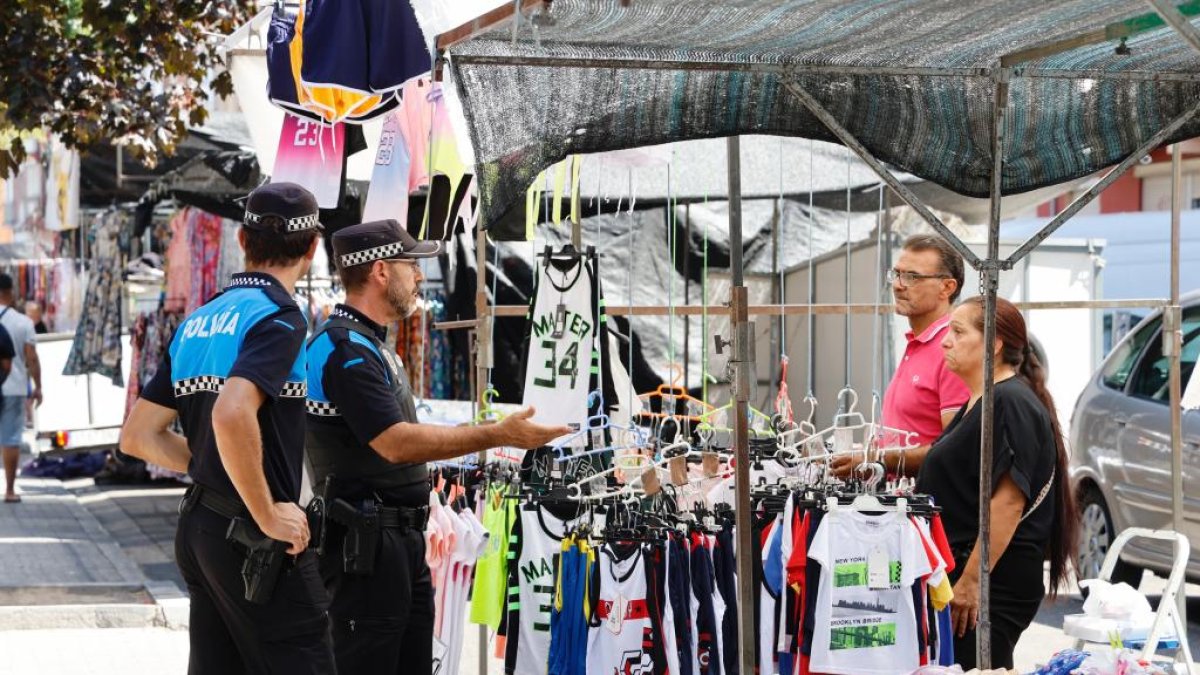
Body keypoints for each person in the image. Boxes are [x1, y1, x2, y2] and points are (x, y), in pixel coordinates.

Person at [305, 219, 570, 674]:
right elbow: (395, 443)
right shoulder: (343, 349)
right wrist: (498, 434)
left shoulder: (369, 344)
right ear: (381, 271)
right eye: (413, 265)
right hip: (365, 551)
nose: (420, 277)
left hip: (395, 545)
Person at [120, 183, 336, 674]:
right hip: (252, 540)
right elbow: (231, 413)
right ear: (312, 247)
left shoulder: (200, 319)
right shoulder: (280, 318)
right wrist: (266, 512)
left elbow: (138, 436)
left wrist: (213, 466)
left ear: (242, 239)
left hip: (201, 526)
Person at [915, 296, 1078, 670]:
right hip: (966, 575)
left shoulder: (1010, 401)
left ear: (994, 344)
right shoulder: (983, 400)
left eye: (958, 332)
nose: (945, 341)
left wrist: (972, 582)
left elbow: (1007, 504)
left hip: (991, 584)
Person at [832, 233, 969, 478]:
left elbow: (954, 449)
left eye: (912, 277)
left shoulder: (952, 348)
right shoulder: (917, 343)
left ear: (947, 287)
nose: (897, 284)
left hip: (929, 508)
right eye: (896, 274)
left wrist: (876, 459)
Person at [0, 276, 40, 503]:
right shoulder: (23, 322)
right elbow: (31, 357)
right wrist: (38, 386)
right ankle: (9, 490)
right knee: (10, 438)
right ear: (9, 291)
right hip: (13, 386)